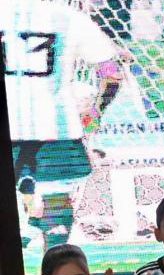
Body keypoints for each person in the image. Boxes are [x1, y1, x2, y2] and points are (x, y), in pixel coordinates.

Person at [4, 0, 122, 250]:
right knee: (56, 204)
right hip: (56, 130)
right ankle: (52, 270)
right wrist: (95, 112)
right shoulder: (70, 18)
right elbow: (112, 72)